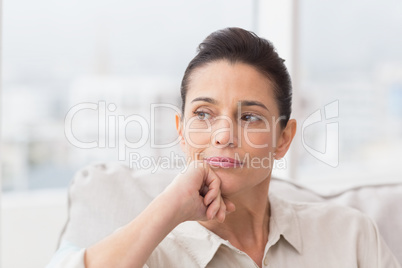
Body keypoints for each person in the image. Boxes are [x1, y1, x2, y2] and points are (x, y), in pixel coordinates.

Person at [48, 27, 401, 268]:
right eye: (203, 114)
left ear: (283, 139)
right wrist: (168, 208)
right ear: (182, 132)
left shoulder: (351, 236)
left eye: (249, 117)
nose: (223, 136)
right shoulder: (150, 253)